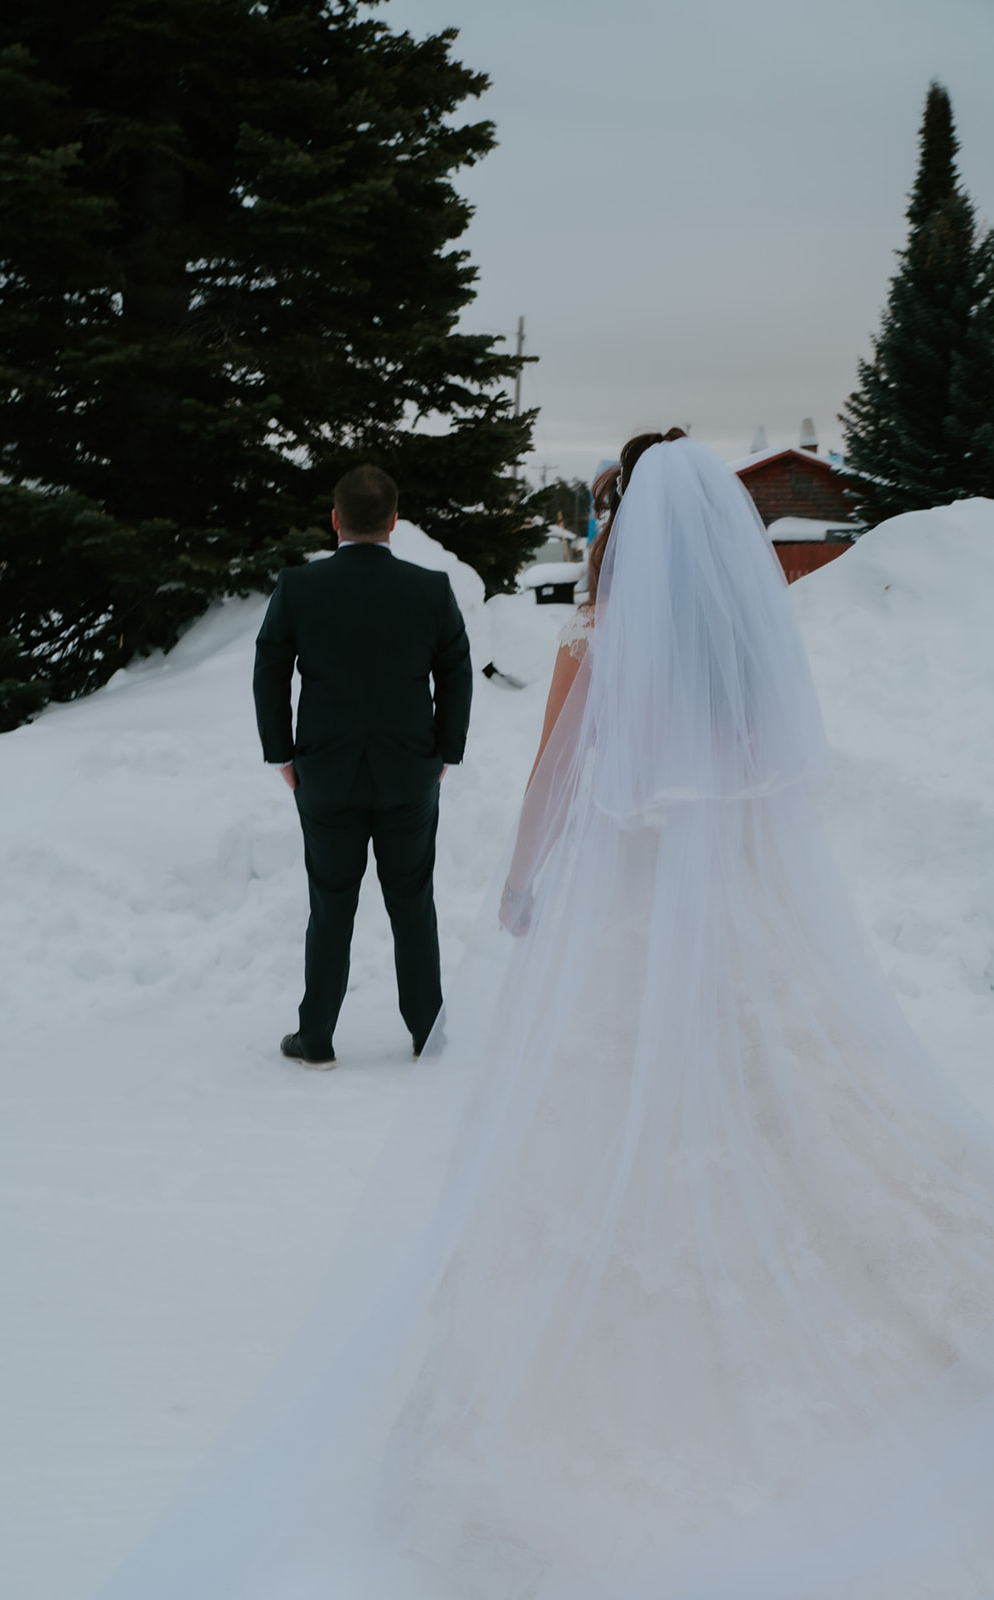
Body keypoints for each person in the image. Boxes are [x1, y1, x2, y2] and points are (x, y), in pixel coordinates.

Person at [105, 435, 994, 1600]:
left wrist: (524, 887)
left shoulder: (598, 639)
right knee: (781, 1087)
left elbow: (554, 783)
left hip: (620, 902)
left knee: (599, 1116)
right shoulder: (742, 643)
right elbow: (775, 770)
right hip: (739, 906)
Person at [253, 464, 472, 1066]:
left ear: (335, 520)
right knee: (412, 900)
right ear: (394, 522)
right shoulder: (430, 589)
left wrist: (282, 754)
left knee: (330, 903)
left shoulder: (299, 587)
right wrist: (444, 752)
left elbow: (269, 665)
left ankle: (316, 1035)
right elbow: (456, 669)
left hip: (323, 774)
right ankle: (427, 1030)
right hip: (409, 775)